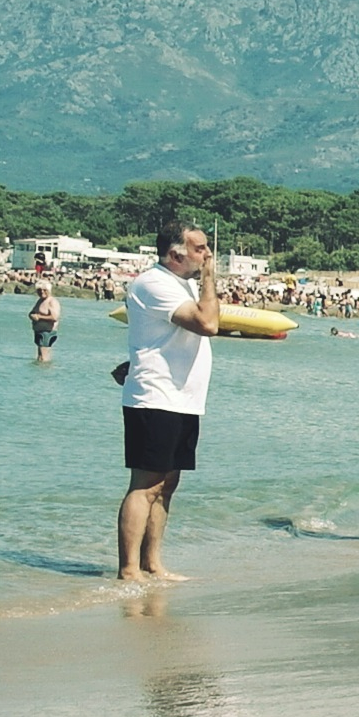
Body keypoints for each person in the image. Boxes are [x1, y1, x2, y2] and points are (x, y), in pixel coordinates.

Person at [118, 219, 224, 583]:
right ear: (175, 254)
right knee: (145, 484)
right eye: (200, 249)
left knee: (167, 485)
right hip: (156, 397)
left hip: (183, 399)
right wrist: (210, 279)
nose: (207, 255)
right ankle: (129, 568)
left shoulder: (179, 285)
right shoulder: (155, 282)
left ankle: (152, 564)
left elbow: (157, 337)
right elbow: (207, 324)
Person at [28, 277, 61, 364]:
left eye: (44, 290)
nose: (42, 292)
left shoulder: (52, 302)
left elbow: (54, 317)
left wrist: (39, 317)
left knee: (44, 357)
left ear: (49, 290)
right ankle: (38, 374)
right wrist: (32, 315)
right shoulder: (40, 301)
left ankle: (44, 375)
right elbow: (32, 312)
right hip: (39, 331)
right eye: (39, 290)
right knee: (39, 357)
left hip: (47, 332)